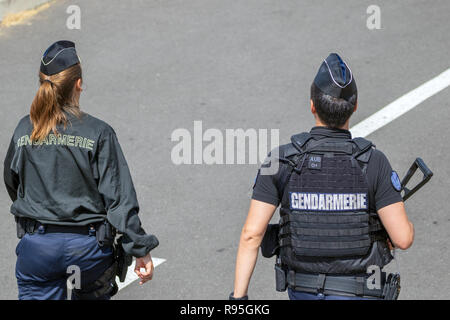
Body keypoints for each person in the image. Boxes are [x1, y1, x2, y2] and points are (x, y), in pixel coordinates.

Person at [230, 53, 414, 300]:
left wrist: (238, 299)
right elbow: (403, 238)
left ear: (312, 105)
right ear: (355, 107)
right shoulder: (373, 161)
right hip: (362, 291)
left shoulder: (281, 160)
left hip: (303, 290)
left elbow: (251, 235)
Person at [3, 40, 159, 300]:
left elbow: (13, 182)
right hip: (88, 251)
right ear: (78, 84)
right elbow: (120, 201)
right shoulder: (98, 132)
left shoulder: (23, 129)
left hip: (38, 248)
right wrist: (140, 249)